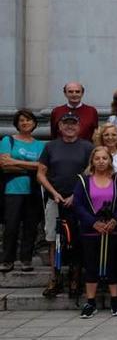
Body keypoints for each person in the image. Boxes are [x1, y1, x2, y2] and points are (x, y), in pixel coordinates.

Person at [36, 112, 94, 298]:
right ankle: (55, 277)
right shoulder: (50, 147)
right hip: (55, 199)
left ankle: (75, 278)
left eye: (73, 124)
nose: (69, 127)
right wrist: (54, 193)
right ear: (60, 127)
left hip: (79, 201)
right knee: (54, 239)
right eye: (66, 124)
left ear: (79, 126)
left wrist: (76, 194)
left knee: (77, 239)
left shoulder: (87, 147)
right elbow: (41, 173)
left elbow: (90, 172)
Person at [71, 146, 117, 318]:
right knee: (91, 265)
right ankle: (90, 302)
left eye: (105, 158)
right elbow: (78, 205)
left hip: (112, 229)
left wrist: (115, 220)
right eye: (98, 159)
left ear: (110, 160)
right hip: (91, 230)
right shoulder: (83, 180)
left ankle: (116, 301)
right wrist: (93, 222)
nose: (101, 162)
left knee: (113, 264)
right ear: (92, 161)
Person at [0, 109, 46, 272]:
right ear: (17, 124)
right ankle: (7, 260)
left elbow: (43, 167)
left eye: (28, 120)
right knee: (11, 226)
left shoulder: (40, 145)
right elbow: (4, 165)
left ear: (34, 123)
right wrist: (31, 166)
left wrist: (15, 161)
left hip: (33, 190)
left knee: (30, 226)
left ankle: (26, 260)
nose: (25, 123)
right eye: (21, 120)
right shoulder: (8, 140)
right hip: (13, 189)